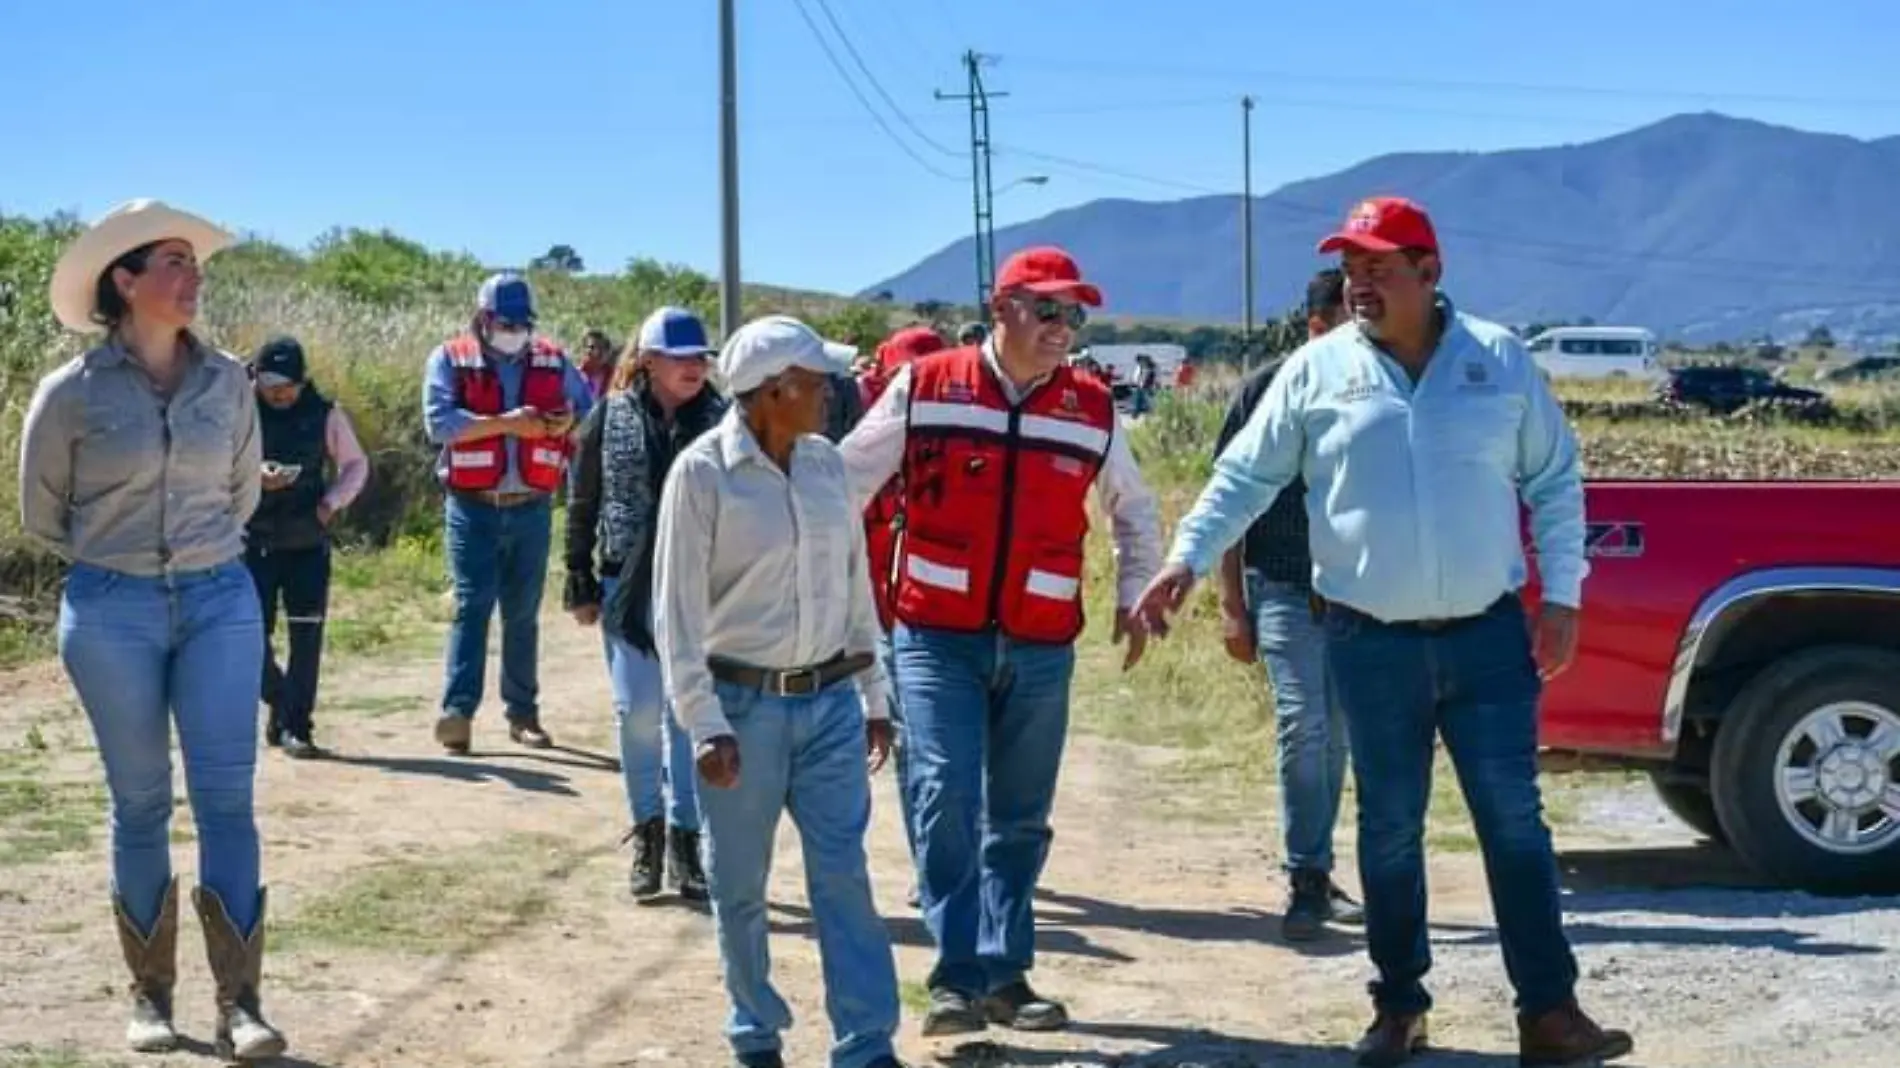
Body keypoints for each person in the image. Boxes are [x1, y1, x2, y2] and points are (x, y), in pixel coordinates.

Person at [1131, 196, 1632, 1068]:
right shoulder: (1318, 371)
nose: (1359, 283)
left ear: (1429, 273)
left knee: (1514, 824)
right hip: (1368, 642)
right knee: (1390, 828)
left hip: (1485, 639)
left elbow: (1555, 479)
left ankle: (1549, 1013)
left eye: (1378, 268)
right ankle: (1399, 1007)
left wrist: (1564, 596)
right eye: (1351, 268)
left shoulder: (1498, 361)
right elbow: (1243, 476)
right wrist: (1184, 560)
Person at [841, 247, 1164, 1037]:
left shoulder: (1091, 407)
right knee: (945, 791)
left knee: (1020, 817)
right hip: (933, 635)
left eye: (1075, 314)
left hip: (1040, 639)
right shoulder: (928, 384)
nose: (1063, 328)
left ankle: (1006, 975)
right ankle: (955, 978)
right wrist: (829, 594)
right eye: (1048, 309)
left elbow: (1136, 510)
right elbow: (844, 485)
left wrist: (1136, 595)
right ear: (1002, 308)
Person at [22, 198, 287, 1060]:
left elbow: (243, 493)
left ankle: (241, 1005)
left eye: (194, 261)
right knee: (140, 803)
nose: (192, 275)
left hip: (218, 600)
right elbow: (43, 511)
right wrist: (122, 561)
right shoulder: (70, 395)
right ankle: (151, 997)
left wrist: (193, 559)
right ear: (125, 282)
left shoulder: (228, 382)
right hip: (113, 609)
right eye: (172, 261)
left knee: (227, 801)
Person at [655, 315, 904, 1068]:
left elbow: (854, 584)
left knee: (844, 877)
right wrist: (703, 724)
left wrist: (875, 692)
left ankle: (865, 1046)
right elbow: (678, 614)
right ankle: (755, 1033)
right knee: (740, 887)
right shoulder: (701, 476)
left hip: (830, 702)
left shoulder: (828, 466)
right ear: (772, 392)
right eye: (816, 380)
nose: (831, 391)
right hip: (741, 711)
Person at [1212, 269, 1364, 941]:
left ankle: (1322, 868)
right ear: (1316, 325)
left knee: (1339, 738)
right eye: (1349, 317)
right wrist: (1230, 605)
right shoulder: (1262, 391)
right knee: (1305, 726)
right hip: (1282, 588)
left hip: (1361, 595)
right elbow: (1228, 502)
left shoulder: (1377, 393)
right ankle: (1306, 876)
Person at [565, 306, 725, 902]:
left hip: (701, 588)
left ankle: (688, 842)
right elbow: (584, 499)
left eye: (701, 358)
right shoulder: (611, 415)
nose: (693, 367)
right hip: (624, 585)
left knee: (688, 717)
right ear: (650, 360)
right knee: (636, 712)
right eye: (680, 357)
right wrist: (577, 575)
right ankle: (648, 832)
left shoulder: (723, 419)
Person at [422, 272, 593, 754]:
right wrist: (507, 425)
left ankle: (523, 715)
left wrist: (567, 421)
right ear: (482, 319)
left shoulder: (552, 359)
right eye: (505, 322)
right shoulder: (450, 359)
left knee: (522, 615)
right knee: (471, 607)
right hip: (472, 508)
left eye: (522, 323)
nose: (515, 331)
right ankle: (458, 714)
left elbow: (588, 410)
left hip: (531, 507)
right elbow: (440, 424)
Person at [856, 324, 950, 908]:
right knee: (915, 751)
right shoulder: (862, 451)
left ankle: (962, 860)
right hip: (887, 622)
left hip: (958, 625)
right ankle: (932, 866)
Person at [245, 335, 371, 759]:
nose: (279, 394)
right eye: (271, 385)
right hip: (251, 543)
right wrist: (252, 475)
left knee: (306, 638)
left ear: (303, 382)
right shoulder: (238, 410)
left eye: (288, 386)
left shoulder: (326, 413)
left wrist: (331, 504)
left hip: (307, 543)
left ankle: (298, 726)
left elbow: (355, 464)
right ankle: (279, 699)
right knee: (247, 637)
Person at [579, 328, 618, 401]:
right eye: (592, 347)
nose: (598, 352)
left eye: (603, 347)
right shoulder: (575, 375)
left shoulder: (615, 376)